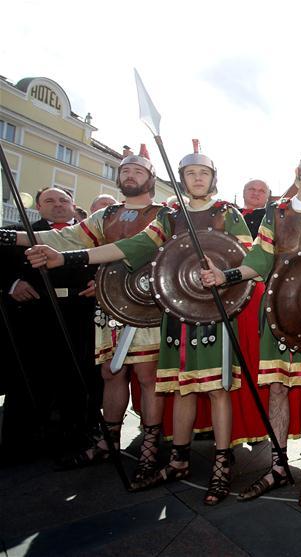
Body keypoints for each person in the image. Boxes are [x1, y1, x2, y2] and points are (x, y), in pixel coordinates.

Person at [26, 140, 252, 504]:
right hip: (177, 311)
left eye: (204, 173)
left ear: (214, 179)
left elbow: (247, 256)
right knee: (180, 386)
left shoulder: (228, 212)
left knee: (217, 388)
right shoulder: (169, 215)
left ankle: (222, 465)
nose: (197, 178)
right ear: (181, 179)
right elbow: (131, 248)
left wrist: (225, 274)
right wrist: (70, 259)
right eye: (191, 173)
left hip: (215, 311)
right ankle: (177, 458)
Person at [1, 145, 166, 481]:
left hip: (147, 304)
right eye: (124, 170)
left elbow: (137, 248)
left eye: (137, 170)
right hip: (109, 305)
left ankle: (150, 447)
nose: (129, 174)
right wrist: (6, 235)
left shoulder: (165, 214)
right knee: (110, 373)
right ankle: (109, 441)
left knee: (148, 378)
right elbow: (63, 237)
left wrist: (69, 258)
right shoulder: (104, 216)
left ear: (150, 178)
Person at [200, 146, 301, 506]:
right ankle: (278, 466)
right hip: (277, 310)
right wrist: (226, 275)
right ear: (299, 171)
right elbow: (259, 259)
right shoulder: (275, 213)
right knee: (277, 388)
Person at [0, 187, 96, 462]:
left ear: (74, 205)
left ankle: (74, 441)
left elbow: (109, 263)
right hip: (33, 317)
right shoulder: (18, 233)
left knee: (76, 379)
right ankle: (18, 444)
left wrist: (100, 282)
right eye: (50, 201)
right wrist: (12, 283)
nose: (58, 205)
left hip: (79, 315)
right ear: (39, 207)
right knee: (28, 379)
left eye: (63, 200)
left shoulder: (90, 235)